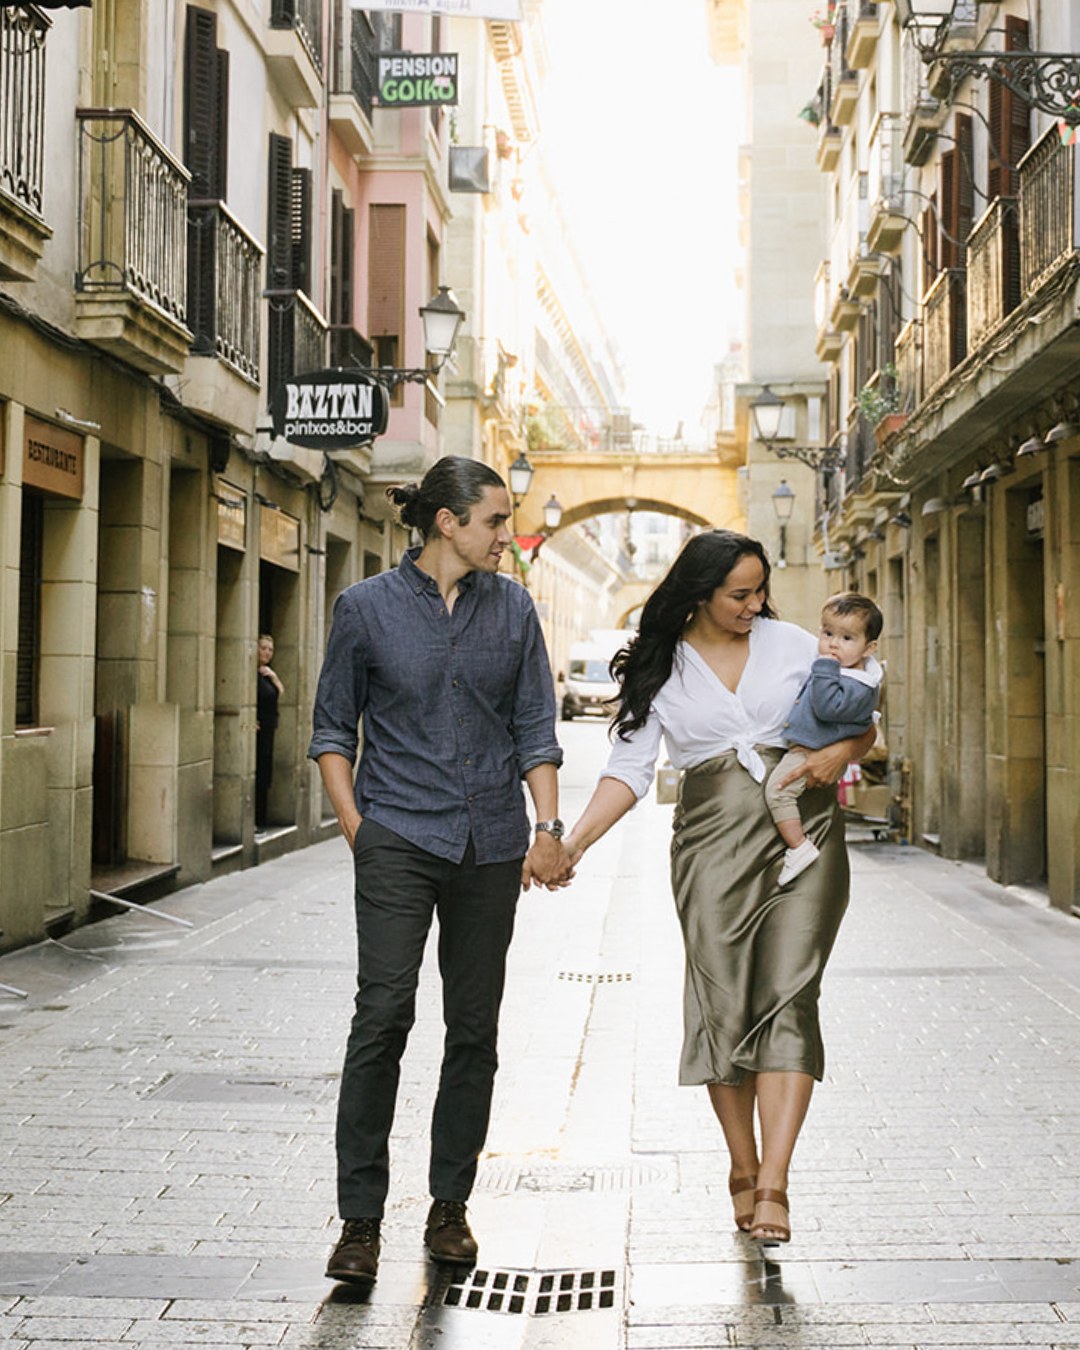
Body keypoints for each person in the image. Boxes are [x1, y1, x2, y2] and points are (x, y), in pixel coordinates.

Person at [562, 530, 875, 1247]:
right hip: (709, 849)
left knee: (791, 995)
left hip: (805, 840)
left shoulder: (796, 645)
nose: (755, 605)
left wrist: (839, 751)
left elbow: (861, 721)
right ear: (701, 591)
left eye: (761, 590)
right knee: (722, 1003)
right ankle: (742, 1165)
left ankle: (775, 1185)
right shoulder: (660, 665)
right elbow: (628, 770)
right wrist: (573, 843)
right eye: (741, 593)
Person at [309, 456, 573, 1286]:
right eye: (497, 520)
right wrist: (359, 827)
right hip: (397, 835)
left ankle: (449, 1206)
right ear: (447, 523)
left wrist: (550, 826)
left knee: (474, 1028)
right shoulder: (365, 610)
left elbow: (536, 725)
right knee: (383, 1014)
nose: (509, 534)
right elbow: (330, 729)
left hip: (491, 844)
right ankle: (359, 1221)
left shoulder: (516, 611)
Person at [764, 592, 883, 887]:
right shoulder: (845, 671)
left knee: (778, 792)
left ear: (869, 647)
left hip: (812, 753)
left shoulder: (853, 682)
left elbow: (825, 706)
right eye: (828, 633)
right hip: (808, 747)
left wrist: (824, 668)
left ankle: (799, 847)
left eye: (846, 638)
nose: (832, 643)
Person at [255, 634, 284, 829]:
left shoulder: (267, 674)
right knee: (257, 773)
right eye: (263, 648)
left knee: (265, 774)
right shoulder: (253, 674)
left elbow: (281, 691)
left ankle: (261, 820)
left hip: (268, 729)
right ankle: (255, 821)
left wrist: (273, 676)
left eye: (270, 649)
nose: (266, 652)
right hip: (257, 730)